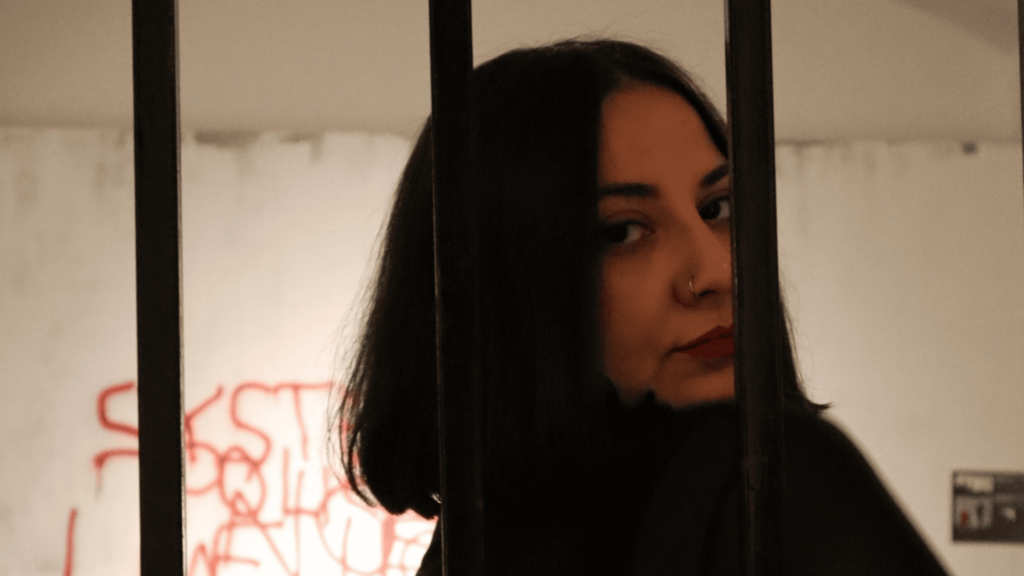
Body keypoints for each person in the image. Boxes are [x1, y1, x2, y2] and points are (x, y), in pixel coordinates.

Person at [338, 39, 947, 575]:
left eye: (716, 208)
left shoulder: (470, 546)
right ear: (505, 287)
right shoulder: (760, 482)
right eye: (624, 231)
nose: (718, 272)